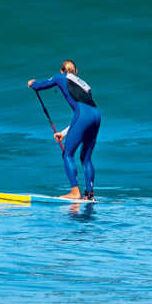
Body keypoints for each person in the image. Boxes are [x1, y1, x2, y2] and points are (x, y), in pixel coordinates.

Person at [27, 59, 101, 200]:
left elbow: (41, 85)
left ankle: (75, 192)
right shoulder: (86, 85)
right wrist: (64, 133)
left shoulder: (60, 77)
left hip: (83, 115)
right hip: (96, 115)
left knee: (67, 154)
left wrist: (33, 83)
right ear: (76, 72)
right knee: (86, 158)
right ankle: (89, 194)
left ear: (62, 70)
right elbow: (83, 113)